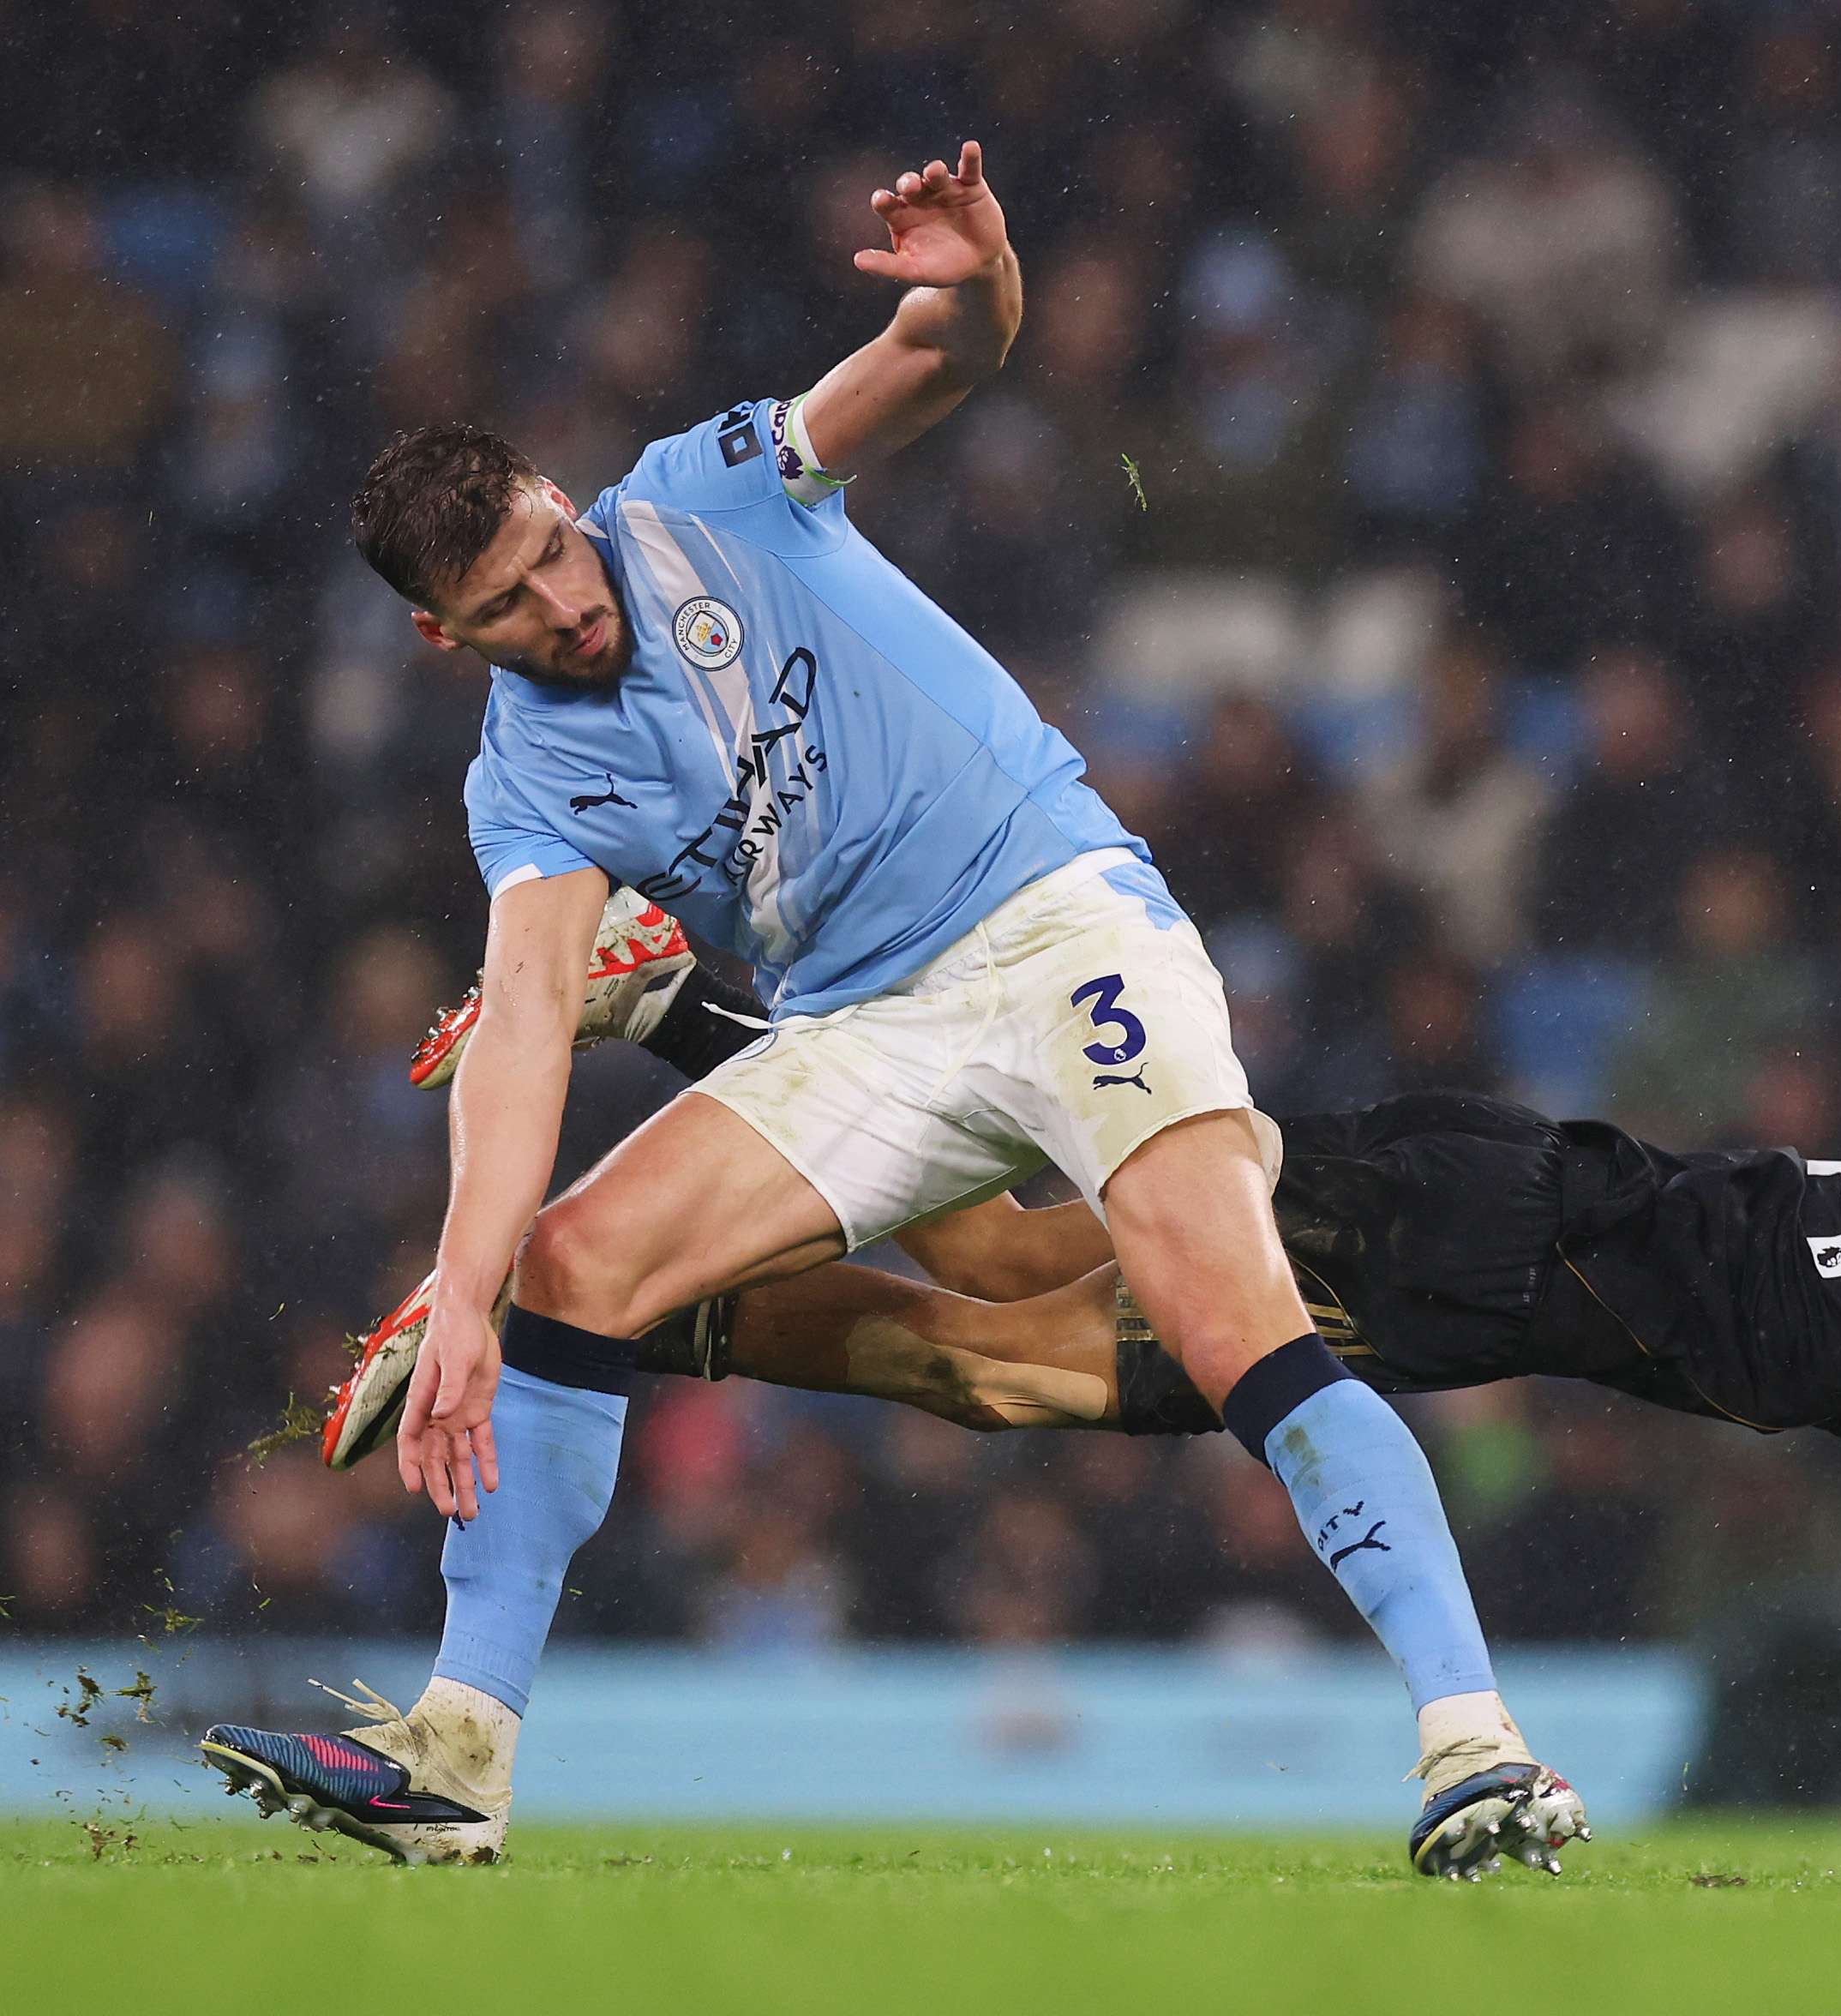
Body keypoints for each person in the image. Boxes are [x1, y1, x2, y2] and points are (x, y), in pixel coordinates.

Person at [197, 144, 1582, 1881]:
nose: (562, 603)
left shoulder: (702, 487)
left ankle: (1482, 1746)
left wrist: (982, 276)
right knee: (572, 1268)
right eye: (506, 610)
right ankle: (459, 1757)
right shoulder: (527, 787)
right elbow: (522, 1025)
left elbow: (942, 359)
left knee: (1223, 1326)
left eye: (552, 551)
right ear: (435, 635)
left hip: (1055, 919)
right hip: (872, 1022)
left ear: (561, 492)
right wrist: (469, 1294)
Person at [341, 936, 1841, 1887]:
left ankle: (636, 1304)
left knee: (999, 1341)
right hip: (1498, 1238)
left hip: (1506, 1222)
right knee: (1017, 1303)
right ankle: (679, 1023)